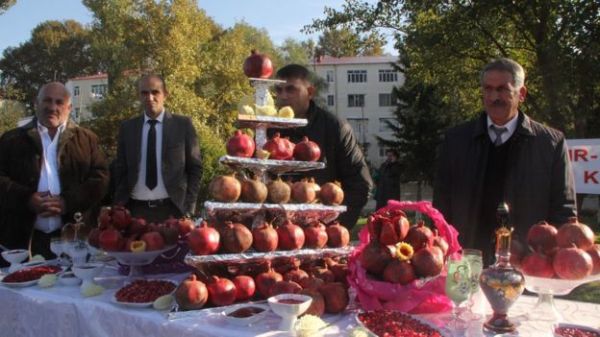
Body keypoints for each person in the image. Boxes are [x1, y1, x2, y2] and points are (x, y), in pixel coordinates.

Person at [433, 58, 576, 262]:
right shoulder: (456, 140)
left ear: (522, 94)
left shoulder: (550, 143)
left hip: (527, 264)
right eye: (488, 89)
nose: (494, 97)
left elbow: (563, 209)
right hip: (466, 261)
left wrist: (556, 261)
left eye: (502, 89)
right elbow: (441, 205)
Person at [0, 82, 109, 260]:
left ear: (69, 108)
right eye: (47, 101)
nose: (52, 107)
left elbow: (101, 179)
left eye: (59, 102)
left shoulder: (87, 139)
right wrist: (27, 199)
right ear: (37, 103)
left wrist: (67, 202)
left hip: (74, 238)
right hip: (23, 240)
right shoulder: (11, 139)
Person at [271, 64, 373, 229]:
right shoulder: (267, 128)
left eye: (291, 90)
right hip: (275, 234)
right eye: (279, 90)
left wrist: (335, 228)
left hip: (321, 232)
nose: (283, 96)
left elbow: (360, 184)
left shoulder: (334, 127)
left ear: (310, 92)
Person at [113, 74, 202, 223]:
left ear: (165, 94)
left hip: (173, 211)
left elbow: (195, 168)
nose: (150, 97)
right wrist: (119, 205)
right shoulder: (127, 128)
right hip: (134, 213)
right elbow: (120, 169)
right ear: (139, 96)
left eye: (155, 92)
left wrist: (189, 208)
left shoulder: (182, 125)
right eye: (144, 93)